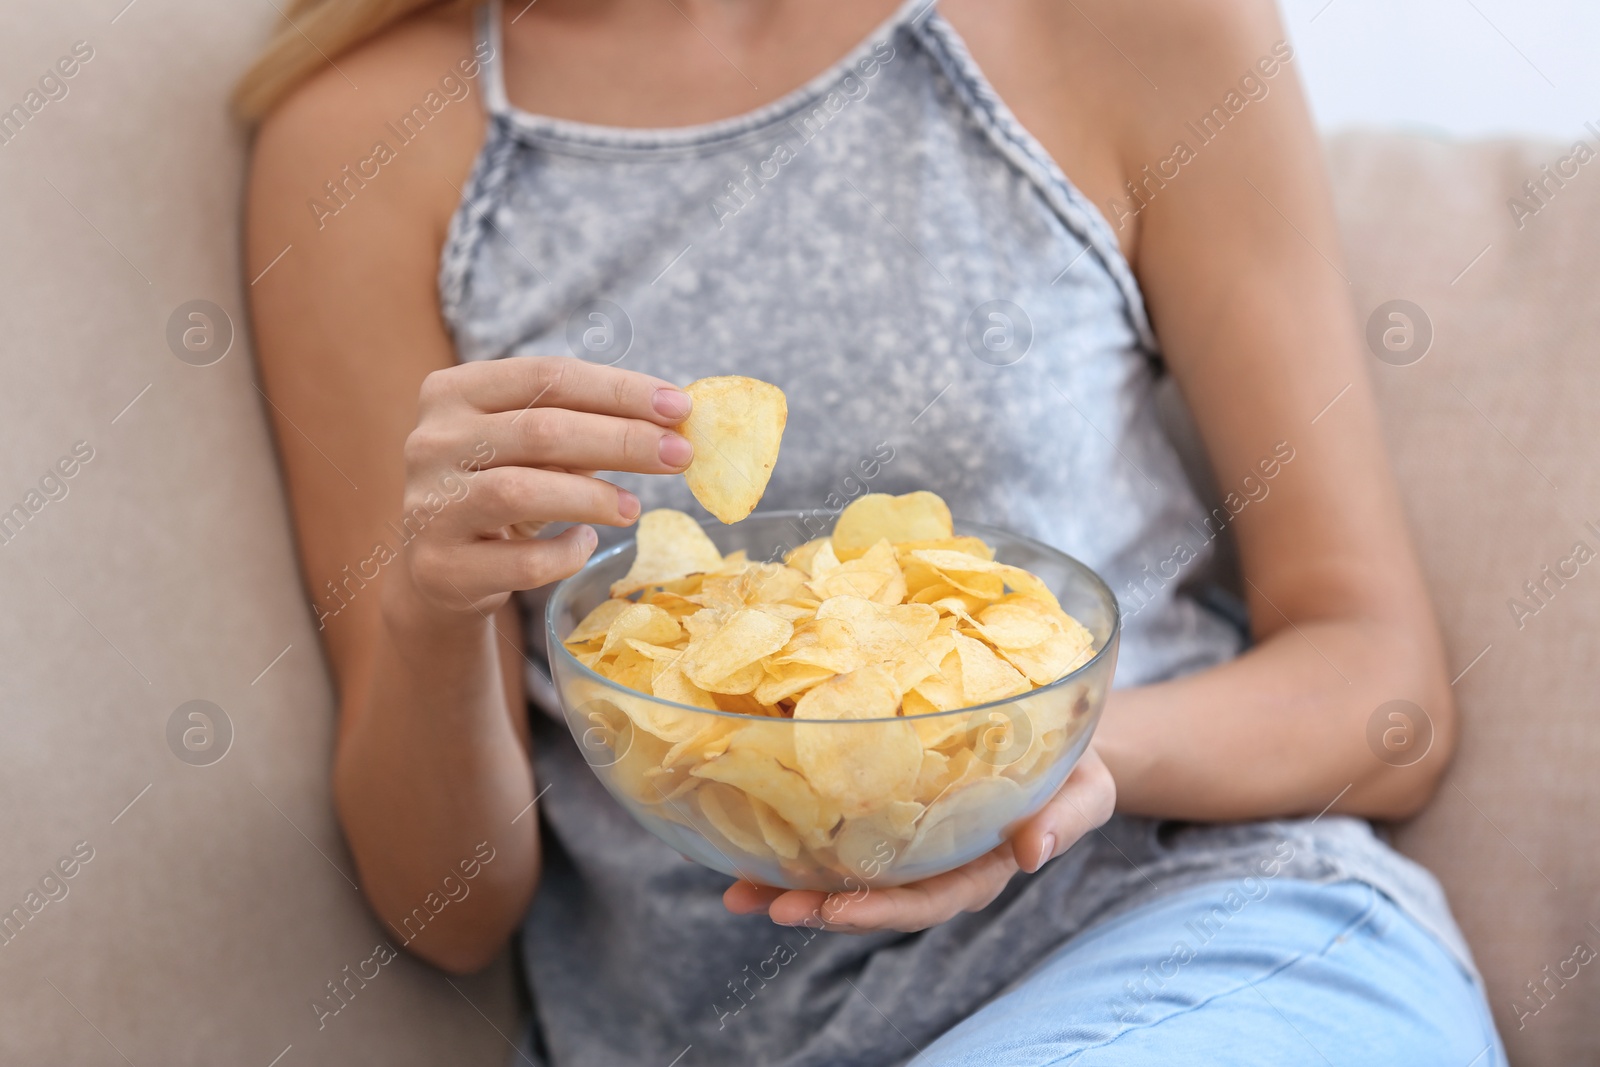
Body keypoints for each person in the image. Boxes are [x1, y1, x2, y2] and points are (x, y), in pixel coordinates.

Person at [237, 0, 1506, 1062]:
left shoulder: (1127, 25)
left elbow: (1384, 694)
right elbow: (448, 911)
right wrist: (430, 602)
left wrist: (1026, 758)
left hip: (1195, 941)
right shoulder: (362, 142)